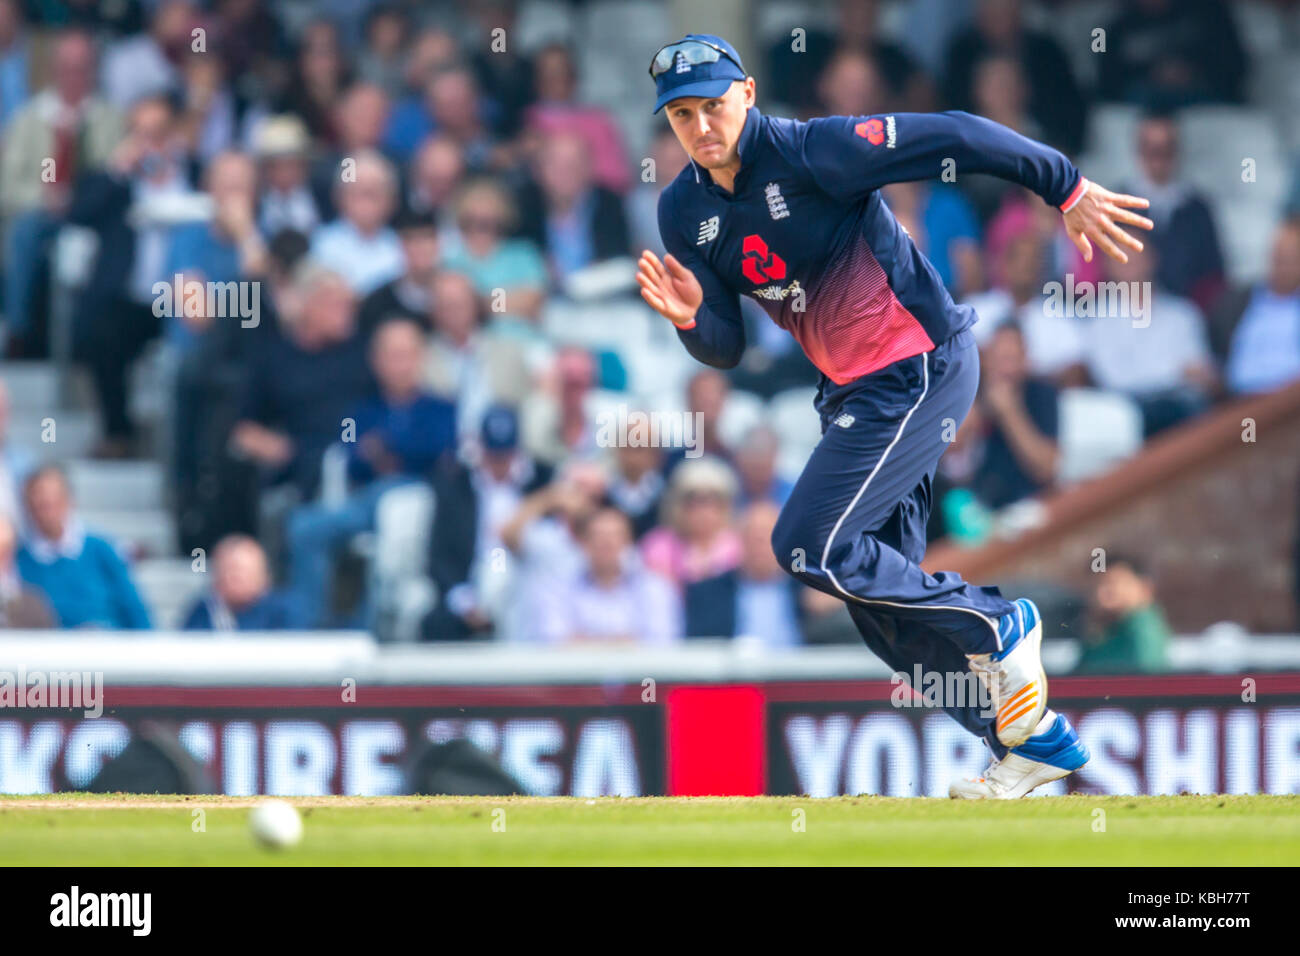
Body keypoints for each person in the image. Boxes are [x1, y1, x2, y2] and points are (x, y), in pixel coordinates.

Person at [636, 34, 1152, 799]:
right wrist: (690, 322)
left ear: (747, 92)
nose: (702, 125)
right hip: (852, 396)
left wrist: (1065, 184)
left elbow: (955, 133)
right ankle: (1032, 746)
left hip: (920, 367)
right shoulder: (682, 210)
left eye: (714, 105)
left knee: (810, 547)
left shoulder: (819, 152)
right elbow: (725, 347)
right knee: (883, 614)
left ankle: (1000, 623)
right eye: (683, 115)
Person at [285, 318, 456, 627]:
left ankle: (368, 630)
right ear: (376, 361)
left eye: (407, 355)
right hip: (365, 500)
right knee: (304, 527)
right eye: (392, 356)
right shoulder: (362, 411)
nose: (400, 365)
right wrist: (382, 454)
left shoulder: (441, 409)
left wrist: (386, 449)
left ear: (421, 358)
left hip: (415, 502)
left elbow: (437, 450)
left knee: (391, 528)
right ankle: (308, 625)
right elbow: (350, 457)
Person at [16, 466, 151, 629]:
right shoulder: (19, 560)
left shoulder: (101, 550)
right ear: (27, 507)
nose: (48, 512)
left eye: (54, 502)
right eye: (41, 505)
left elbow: (134, 608)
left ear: (69, 501)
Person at [532, 507, 681, 647]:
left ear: (629, 542)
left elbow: (661, 642)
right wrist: (627, 641)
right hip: (575, 674)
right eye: (598, 536)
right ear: (583, 542)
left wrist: (585, 641)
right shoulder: (557, 587)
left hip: (642, 675)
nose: (607, 543)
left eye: (615, 536)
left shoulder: (654, 587)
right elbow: (553, 642)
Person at [1074, 553, 1171, 674]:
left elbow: (1143, 679)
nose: (1100, 594)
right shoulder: (1101, 633)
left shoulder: (1143, 627)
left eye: (1112, 584)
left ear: (1144, 587)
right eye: (1094, 586)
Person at [182, 534, 303, 631]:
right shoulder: (202, 613)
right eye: (228, 570)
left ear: (263, 576)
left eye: (242, 570)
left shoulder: (284, 613)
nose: (235, 578)